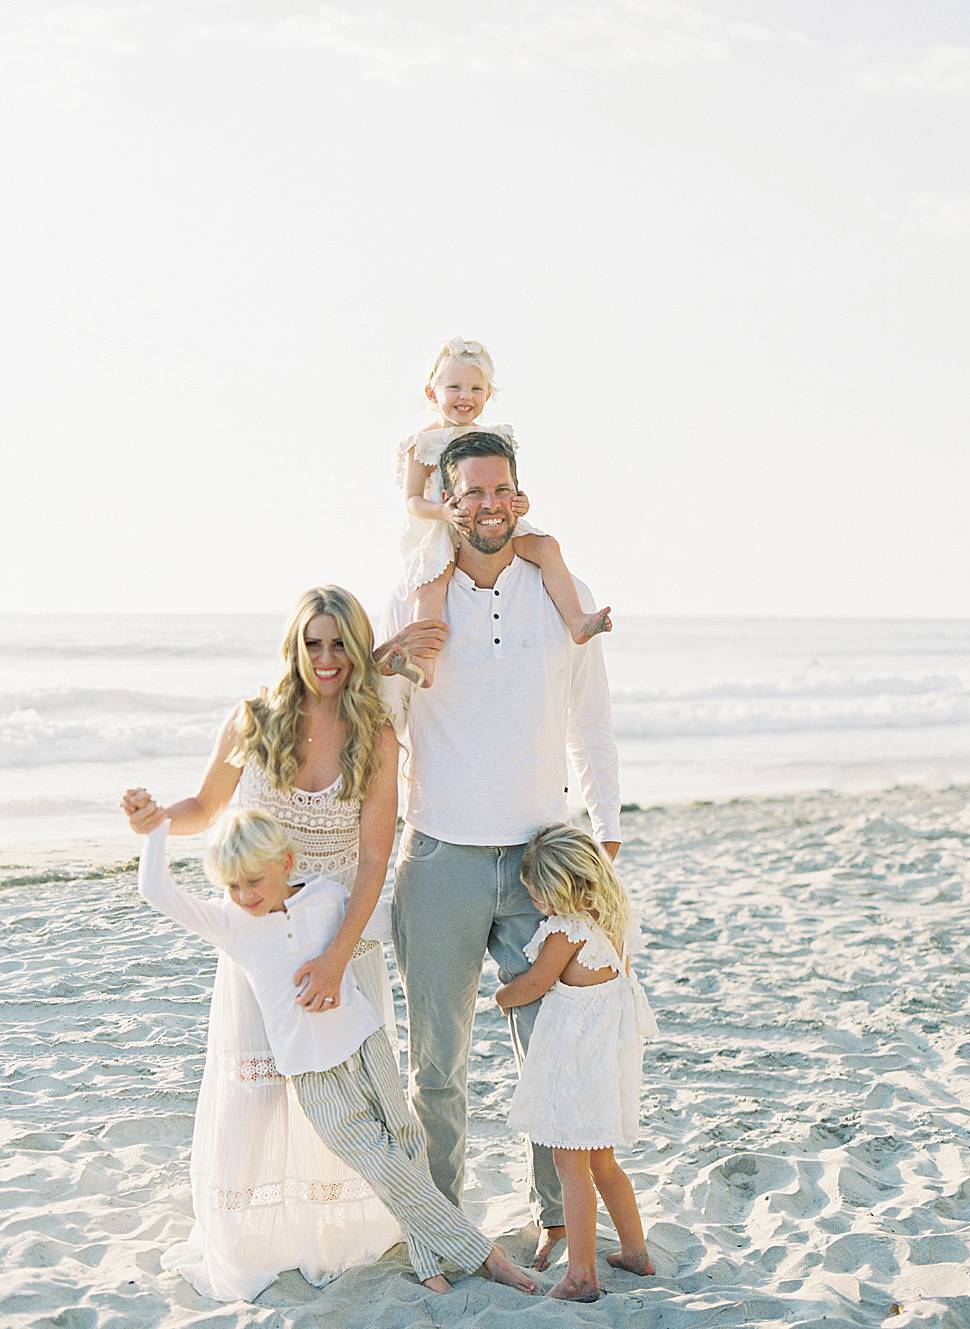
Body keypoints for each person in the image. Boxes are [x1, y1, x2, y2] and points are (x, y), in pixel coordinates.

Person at [117, 585, 403, 1301]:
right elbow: (204, 810)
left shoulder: (378, 732)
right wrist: (155, 819)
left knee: (339, 1091)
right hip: (255, 935)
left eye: (340, 643)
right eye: (314, 642)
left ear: (358, 649)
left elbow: (375, 858)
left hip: (339, 931)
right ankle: (248, 1240)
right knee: (256, 1090)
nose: (327, 658)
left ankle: (329, 1236)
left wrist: (337, 955)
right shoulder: (253, 719)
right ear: (294, 645)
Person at [381, 427, 623, 1271]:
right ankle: (442, 1220)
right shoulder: (416, 592)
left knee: (552, 1051)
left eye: (500, 490)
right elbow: (387, 724)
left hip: (540, 859)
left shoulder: (562, 592)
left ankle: (559, 1218)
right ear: (445, 503)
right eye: (469, 492)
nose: (487, 505)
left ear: (520, 496)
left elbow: (589, 712)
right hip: (440, 855)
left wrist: (608, 819)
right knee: (436, 1063)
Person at [131, 810, 542, 1296]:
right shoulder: (232, 925)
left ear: (285, 862)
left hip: (365, 1041)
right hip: (311, 1072)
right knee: (379, 1163)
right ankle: (485, 1255)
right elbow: (156, 891)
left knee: (406, 1145)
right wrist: (155, 828)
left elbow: (390, 926)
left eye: (253, 881)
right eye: (233, 886)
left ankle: (427, 1256)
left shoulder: (327, 897)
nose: (244, 896)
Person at [389, 337, 610, 686]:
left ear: (488, 395)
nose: (466, 396)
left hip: (491, 524)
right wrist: (443, 512)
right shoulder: (423, 442)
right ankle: (423, 663)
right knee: (430, 587)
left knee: (547, 546)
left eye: (476, 388)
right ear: (433, 394)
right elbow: (412, 500)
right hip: (444, 527)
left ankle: (577, 620)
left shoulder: (494, 438)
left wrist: (521, 504)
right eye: (455, 387)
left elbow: (506, 489)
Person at [498, 825, 658, 1302]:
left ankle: (582, 1275)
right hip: (607, 1059)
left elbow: (534, 983)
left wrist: (503, 996)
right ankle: (635, 1253)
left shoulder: (568, 931)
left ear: (562, 891)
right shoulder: (615, 921)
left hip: (578, 1061)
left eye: (538, 894)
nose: (536, 903)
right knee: (604, 1162)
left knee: (569, 1163)